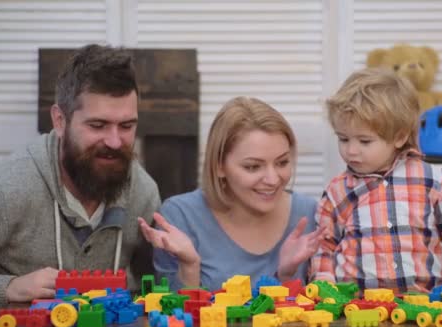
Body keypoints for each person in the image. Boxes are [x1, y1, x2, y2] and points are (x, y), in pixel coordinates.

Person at [0, 44, 160, 323]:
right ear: (59, 120)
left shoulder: (144, 193)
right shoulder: (5, 191)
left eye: (126, 126)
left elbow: (150, 290)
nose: (115, 142)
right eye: (98, 125)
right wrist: (6, 288)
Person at [310, 69, 442, 294]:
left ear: (399, 137)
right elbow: (324, 246)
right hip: (356, 309)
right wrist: (324, 285)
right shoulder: (337, 191)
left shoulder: (432, 180)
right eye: (343, 139)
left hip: (422, 308)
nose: (351, 150)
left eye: (364, 141)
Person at [139, 96, 326, 291]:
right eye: (253, 166)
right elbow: (172, 314)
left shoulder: (310, 213)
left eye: (282, 162)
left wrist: (287, 276)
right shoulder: (181, 216)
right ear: (219, 166)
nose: (273, 179)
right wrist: (189, 266)